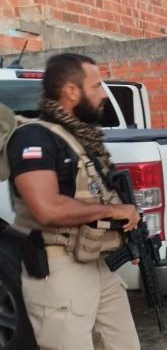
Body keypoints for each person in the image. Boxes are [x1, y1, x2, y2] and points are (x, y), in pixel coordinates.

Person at [7, 53, 141, 349]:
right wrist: (113, 210)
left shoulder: (81, 136)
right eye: (95, 86)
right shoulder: (33, 138)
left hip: (95, 261)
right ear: (71, 91)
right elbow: (47, 208)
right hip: (59, 268)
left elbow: (91, 192)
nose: (103, 93)